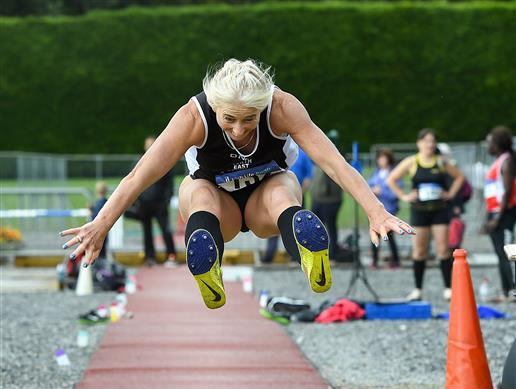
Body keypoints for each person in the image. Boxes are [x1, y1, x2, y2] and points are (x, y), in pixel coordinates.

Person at [60, 59, 413, 309]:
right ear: (214, 107)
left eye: (249, 119)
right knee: (195, 191)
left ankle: (308, 254)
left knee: (283, 187)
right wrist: (101, 225)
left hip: (265, 202)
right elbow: (140, 175)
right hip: (218, 205)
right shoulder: (191, 117)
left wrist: (376, 211)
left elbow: (333, 163)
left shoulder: (283, 108)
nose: (240, 129)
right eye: (229, 119)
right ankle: (208, 264)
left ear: (263, 107)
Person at [387, 128, 464, 301]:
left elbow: (460, 177)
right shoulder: (412, 161)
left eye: (432, 141)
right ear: (419, 143)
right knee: (419, 251)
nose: (430, 144)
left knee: (443, 250)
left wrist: (450, 194)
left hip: (440, 211)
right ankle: (418, 289)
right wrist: (404, 196)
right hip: (419, 212)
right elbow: (391, 179)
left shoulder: (441, 161)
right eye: (426, 141)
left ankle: (447, 288)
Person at [261, 146, 313, 263]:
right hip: (276, 192)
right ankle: (270, 254)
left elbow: (308, 176)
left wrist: (299, 192)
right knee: (274, 223)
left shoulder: (302, 154)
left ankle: (296, 255)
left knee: (296, 225)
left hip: (295, 194)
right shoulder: (279, 148)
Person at [481, 126, 516, 300]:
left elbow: (508, 190)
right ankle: (506, 290)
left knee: (508, 253)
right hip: (495, 212)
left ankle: (511, 290)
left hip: (504, 214)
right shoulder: (499, 160)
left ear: (498, 143)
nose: (487, 145)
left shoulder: (507, 160)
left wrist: (497, 218)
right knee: (500, 254)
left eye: (489, 141)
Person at [139, 136, 178, 267]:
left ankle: (171, 255)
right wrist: (138, 200)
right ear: (145, 147)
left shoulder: (165, 161)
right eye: (148, 145)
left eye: (152, 144)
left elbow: (169, 185)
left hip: (160, 204)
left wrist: (166, 201)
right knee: (146, 231)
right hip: (145, 204)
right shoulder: (139, 162)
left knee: (166, 230)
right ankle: (149, 257)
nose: (150, 147)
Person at [310, 130, 344, 261]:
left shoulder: (336, 156)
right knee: (314, 227)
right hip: (318, 198)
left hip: (330, 200)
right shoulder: (319, 155)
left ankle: (332, 254)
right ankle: (315, 252)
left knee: (330, 227)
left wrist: (325, 190)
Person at [368, 149, 400, 268]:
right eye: (380, 158)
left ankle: (395, 260)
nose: (381, 161)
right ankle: (375, 260)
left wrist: (381, 192)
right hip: (376, 210)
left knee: (389, 236)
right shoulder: (377, 172)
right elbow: (369, 184)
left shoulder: (394, 173)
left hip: (389, 209)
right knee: (375, 234)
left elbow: (395, 193)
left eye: (384, 158)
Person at [90, 181, 109, 259]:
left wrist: (91, 211)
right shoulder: (107, 202)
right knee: (103, 249)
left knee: (98, 250)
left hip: (98, 230)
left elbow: (96, 216)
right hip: (105, 230)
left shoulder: (98, 203)